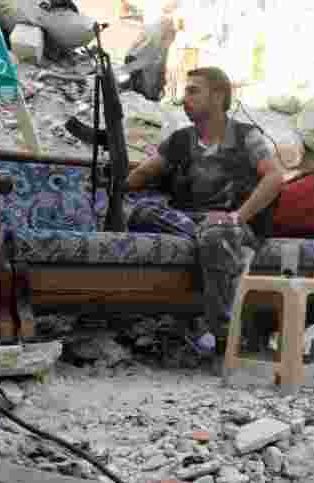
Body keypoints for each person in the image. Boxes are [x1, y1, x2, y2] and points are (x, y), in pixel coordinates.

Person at [123, 66, 284, 355]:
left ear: (218, 96)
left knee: (217, 234)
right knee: (141, 213)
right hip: (188, 221)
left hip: (234, 223)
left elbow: (274, 177)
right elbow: (139, 177)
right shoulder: (181, 140)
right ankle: (203, 234)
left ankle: (224, 334)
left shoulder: (247, 137)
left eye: (193, 91)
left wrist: (238, 216)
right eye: (185, 92)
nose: (185, 98)